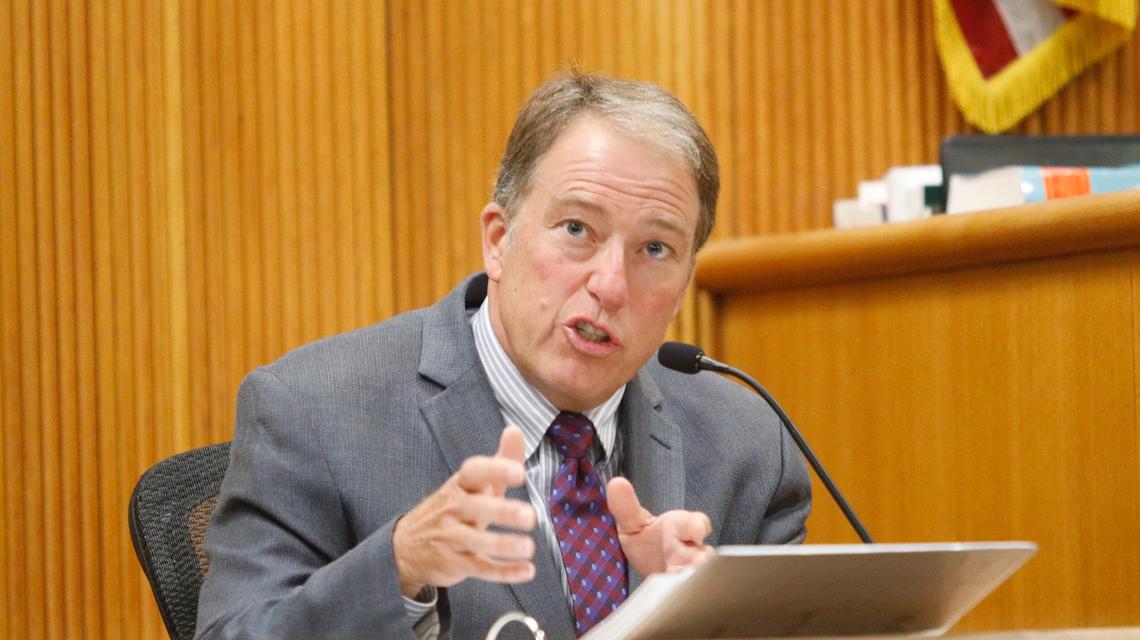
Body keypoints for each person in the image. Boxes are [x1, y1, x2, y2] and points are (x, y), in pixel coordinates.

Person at [195, 72, 811, 640]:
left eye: (654, 249)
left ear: (684, 282)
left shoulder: (746, 448)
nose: (611, 285)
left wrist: (697, 619)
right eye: (577, 229)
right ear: (498, 240)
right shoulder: (315, 411)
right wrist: (400, 568)